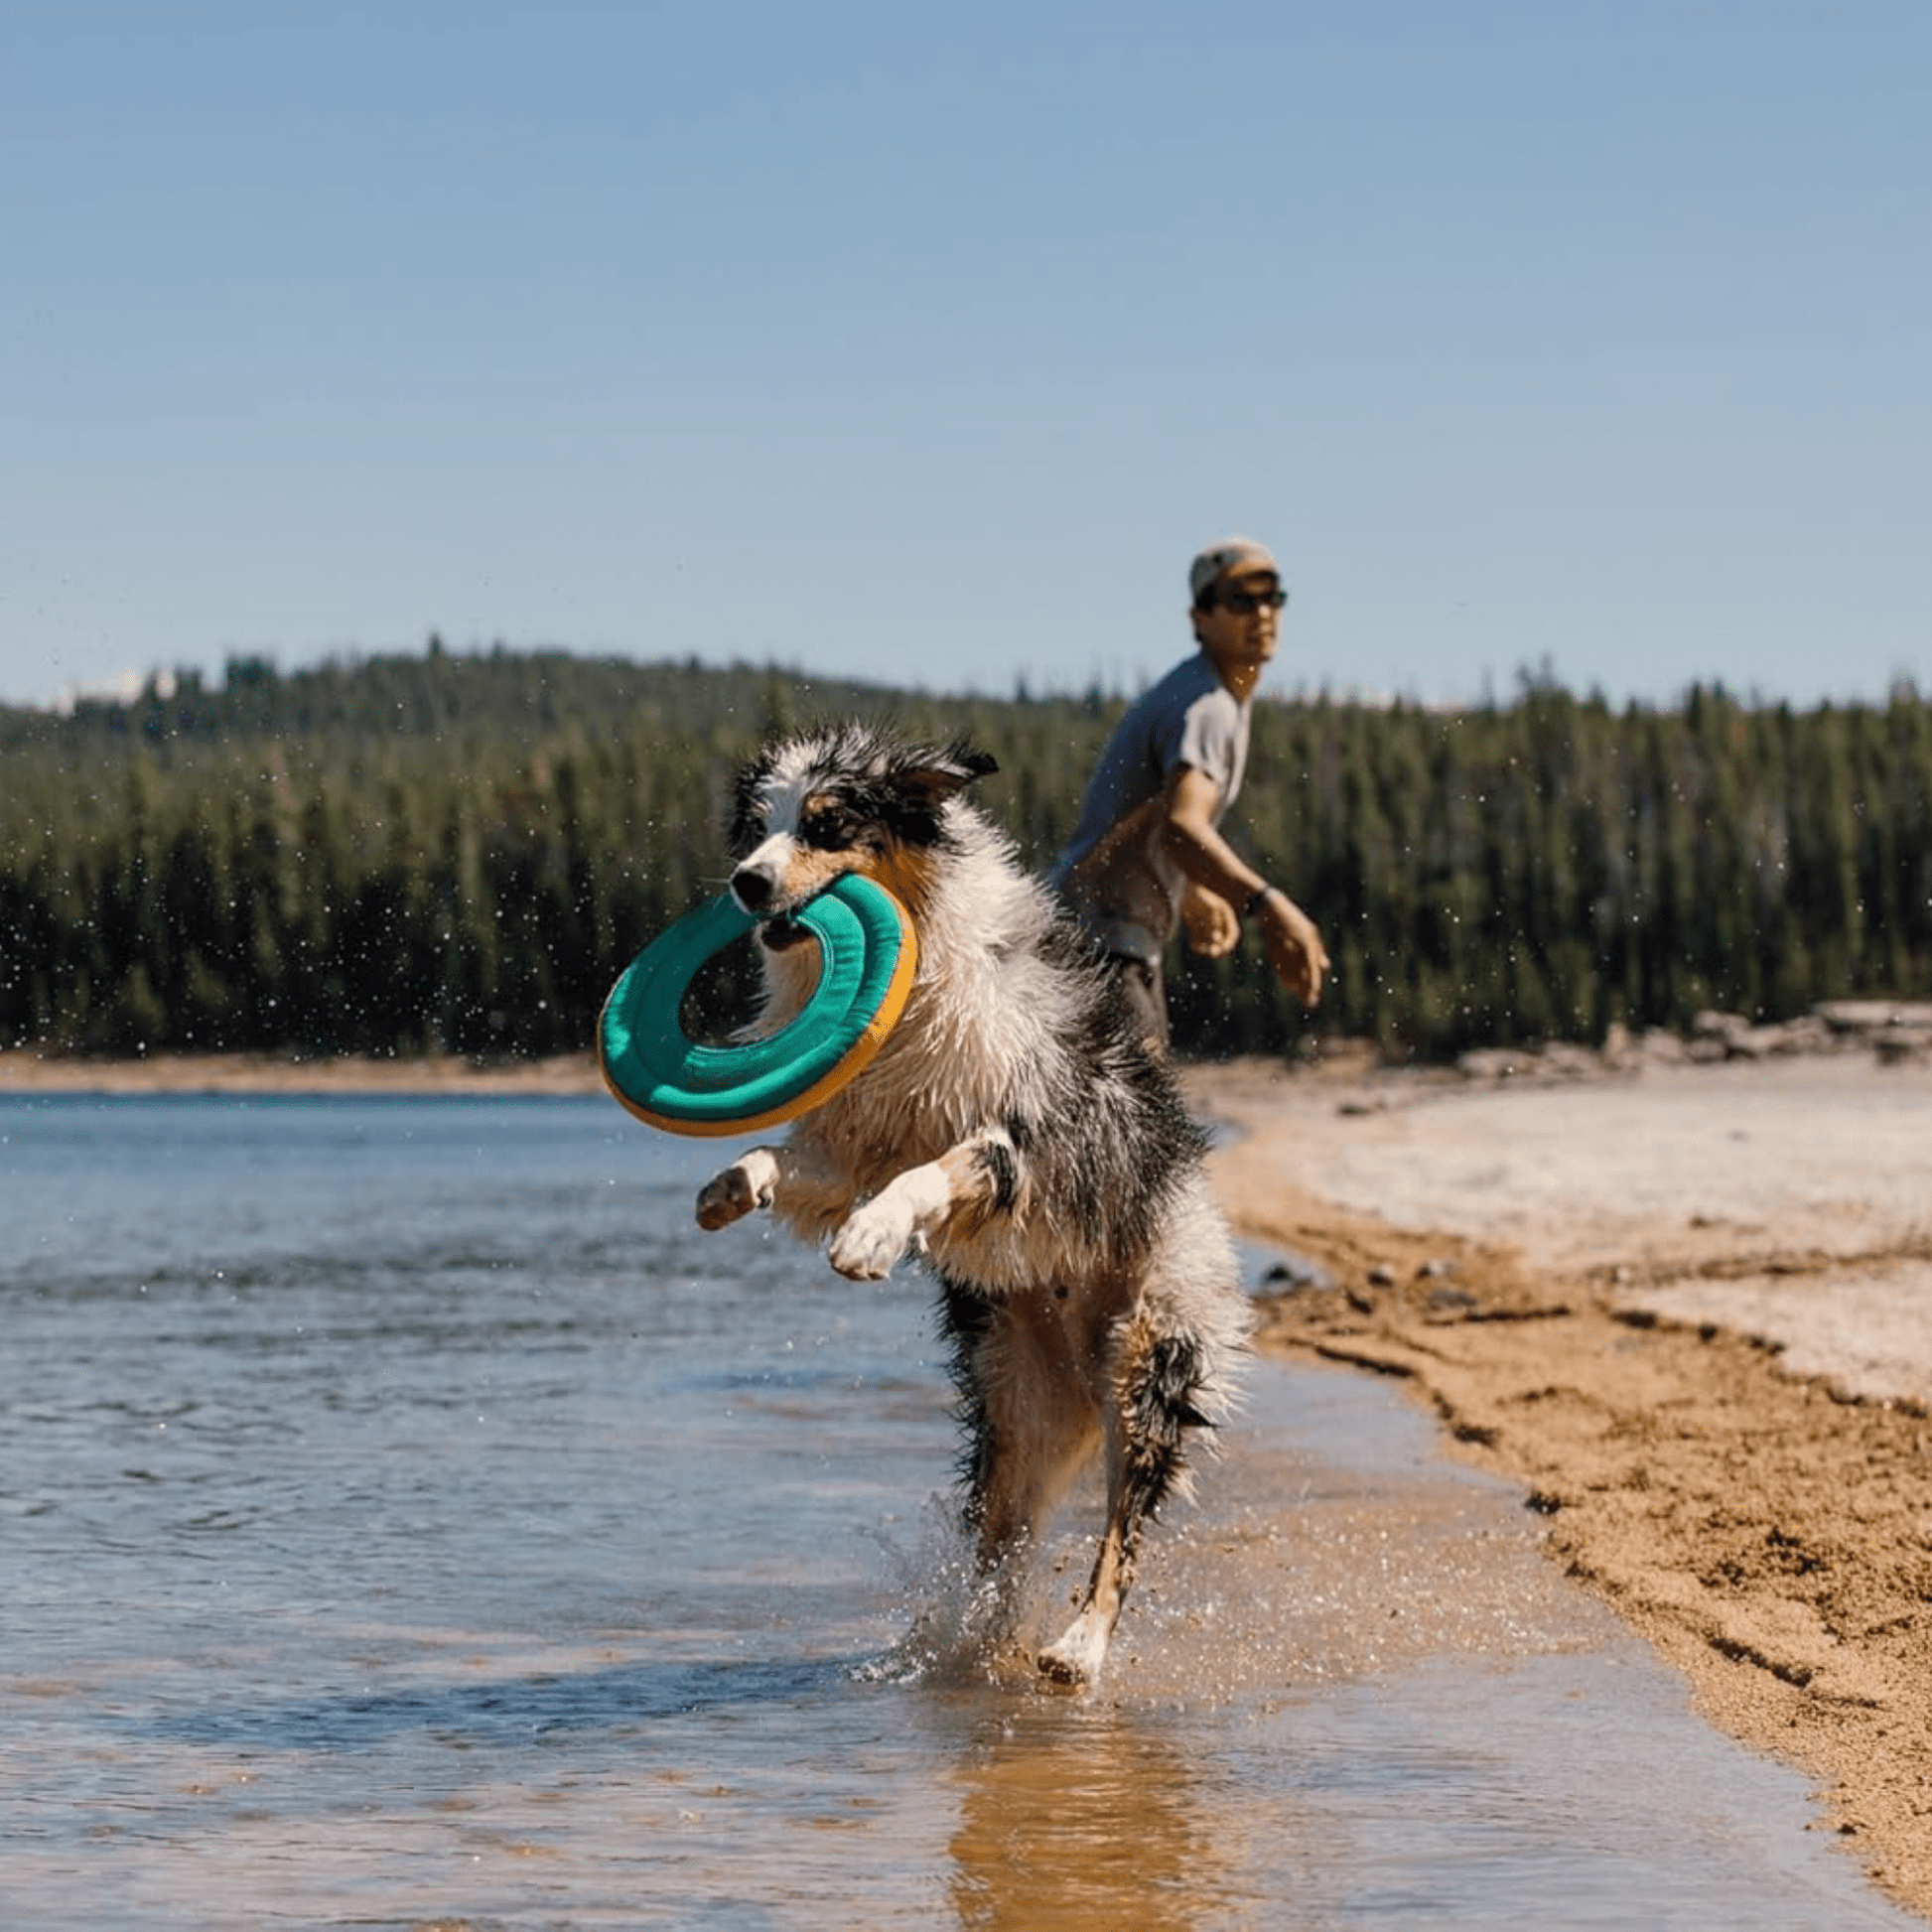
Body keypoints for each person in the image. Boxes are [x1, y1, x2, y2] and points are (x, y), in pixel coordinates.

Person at [1052, 535, 1329, 1049]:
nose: (1262, 612)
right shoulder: (1208, 706)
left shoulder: (1201, 693)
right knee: (1138, 1122)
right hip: (1101, 946)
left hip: (1094, 940)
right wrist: (1270, 907)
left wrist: (1195, 888)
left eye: (1272, 597)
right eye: (1241, 599)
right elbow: (1184, 825)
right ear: (1200, 618)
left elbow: (1153, 815)